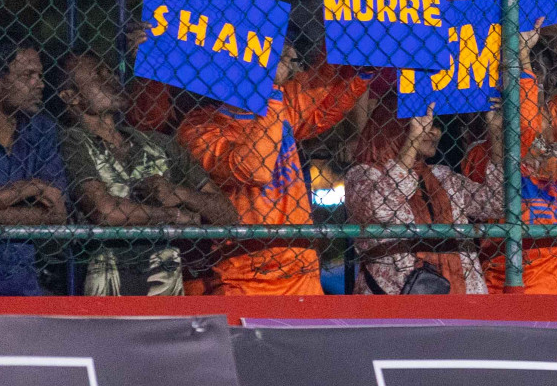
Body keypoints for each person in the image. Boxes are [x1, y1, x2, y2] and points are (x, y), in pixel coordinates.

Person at [177, 38, 368, 295]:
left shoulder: (281, 101)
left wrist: (361, 63)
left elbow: (326, 97)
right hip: (246, 277)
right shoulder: (199, 127)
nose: (287, 63)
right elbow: (255, 169)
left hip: (302, 270)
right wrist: (270, 88)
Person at [462, 7, 557, 294]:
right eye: (519, 86)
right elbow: (523, 128)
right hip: (512, 305)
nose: (529, 94)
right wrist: (520, 57)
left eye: (537, 87)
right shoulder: (484, 155)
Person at [58, 54, 236, 296]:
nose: (111, 78)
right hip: (106, 282)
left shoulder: (156, 142)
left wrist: (178, 192)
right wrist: (175, 215)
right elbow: (104, 211)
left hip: (163, 285)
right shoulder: (72, 140)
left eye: (110, 71)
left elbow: (228, 215)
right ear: (71, 96)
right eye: (97, 74)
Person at [346, 101, 507, 295]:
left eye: (436, 125)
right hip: (397, 302)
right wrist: (413, 138)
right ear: (391, 127)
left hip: (463, 296)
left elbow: (498, 203)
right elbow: (383, 208)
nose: (434, 132)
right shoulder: (363, 175)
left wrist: (496, 133)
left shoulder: (442, 176)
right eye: (423, 122)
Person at [0, 39, 67, 296]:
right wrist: (27, 188)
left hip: (24, 287)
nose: (40, 84)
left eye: (40, 75)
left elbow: (57, 212)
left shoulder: (41, 130)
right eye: (28, 75)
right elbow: (42, 199)